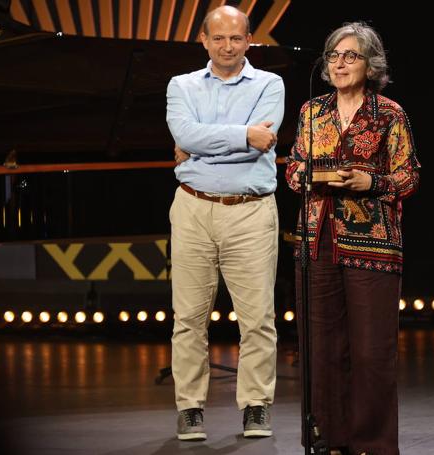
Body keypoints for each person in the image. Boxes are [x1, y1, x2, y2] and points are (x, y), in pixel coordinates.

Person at [285, 22, 420, 455]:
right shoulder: (313, 112)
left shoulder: (388, 114)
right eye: (334, 56)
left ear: (370, 64)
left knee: (370, 354)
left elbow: (409, 174)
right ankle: (328, 440)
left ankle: (373, 445)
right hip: (316, 240)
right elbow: (292, 170)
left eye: (351, 56)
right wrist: (308, 175)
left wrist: (371, 181)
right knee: (321, 350)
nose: (340, 63)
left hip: (372, 242)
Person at [166, 5, 284, 441]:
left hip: (250, 210)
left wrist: (203, 143)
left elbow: (261, 144)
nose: (228, 46)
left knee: (257, 318)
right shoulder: (181, 86)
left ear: (249, 39)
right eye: (219, 38)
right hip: (194, 208)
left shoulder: (271, 84)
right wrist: (240, 135)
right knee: (188, 317)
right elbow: (185, 134)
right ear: (204, 40)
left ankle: (256, 405)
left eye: (236, 38)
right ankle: (190, 408)